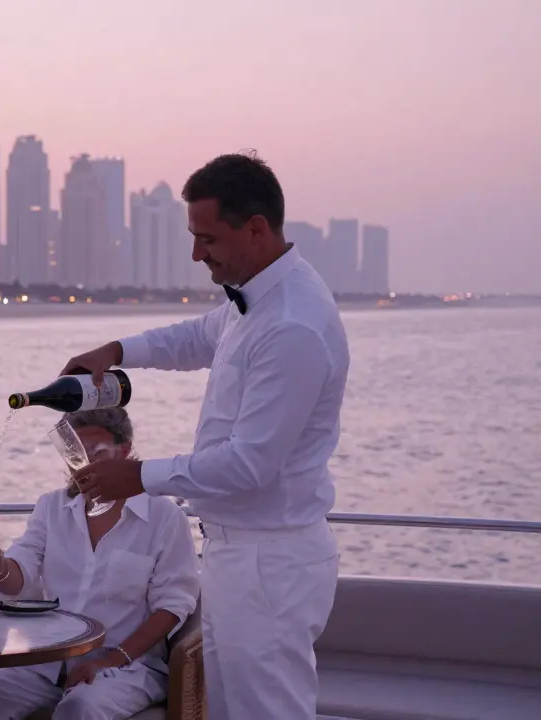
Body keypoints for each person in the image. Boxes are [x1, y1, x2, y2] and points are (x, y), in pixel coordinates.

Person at [63, 152, 349, 719]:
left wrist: (137, 477)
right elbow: (196, 338)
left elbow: (249, 465)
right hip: (234, 553)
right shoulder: (256, 299)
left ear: (257, 229)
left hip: (269, 562)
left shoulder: (293, 323)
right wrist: (118, 352)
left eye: (208, 238)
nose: (197, 254)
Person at [0, 408, 199, 720]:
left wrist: (111, 661)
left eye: (95, 452)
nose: (83, 464)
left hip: (125, 665)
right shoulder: (51, 507)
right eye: (74, 452)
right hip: (47, 661)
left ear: (124, 452)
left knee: (78, 708)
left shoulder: (163, 517)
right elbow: (18, 580)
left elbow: (173, 606)